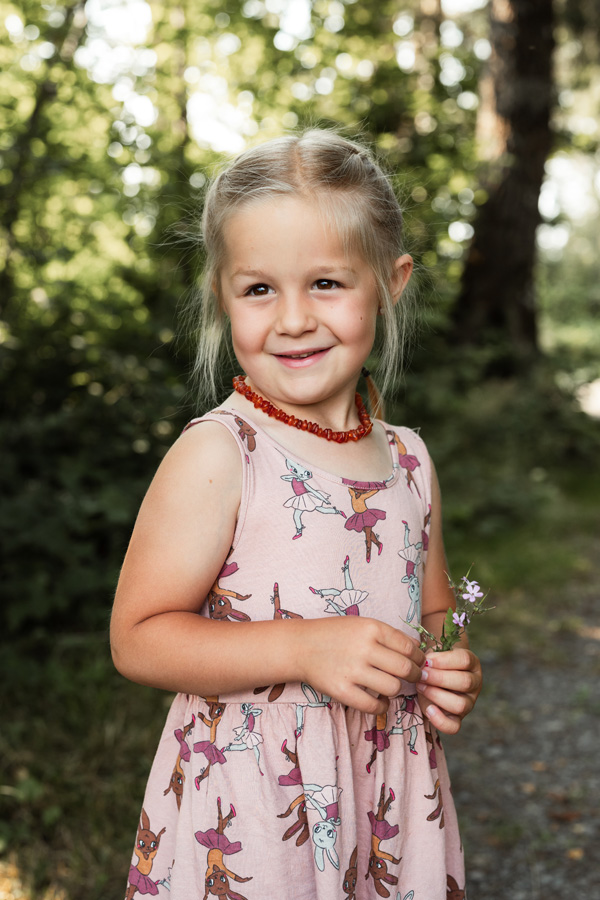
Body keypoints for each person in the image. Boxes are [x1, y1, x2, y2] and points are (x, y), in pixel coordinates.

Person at [110, 129, 482, 900]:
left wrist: (451, 663)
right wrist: (304, 647)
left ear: (390, 281)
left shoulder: (409, 458)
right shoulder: (223, 454)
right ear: (224, 297)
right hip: (254, 810)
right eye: (259, 290)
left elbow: (437, 607)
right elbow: (139, 639)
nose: (293, 319)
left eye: (325, 284)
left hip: (387, 798)